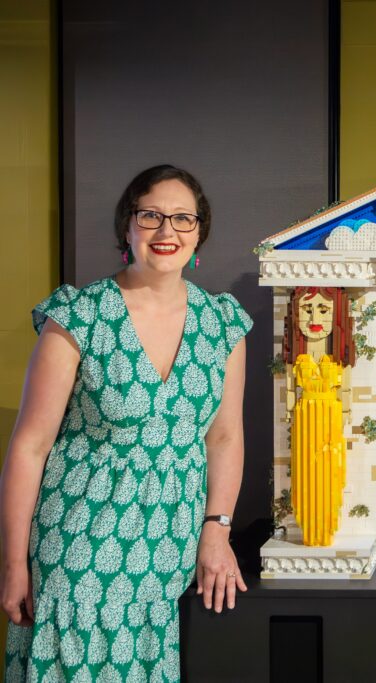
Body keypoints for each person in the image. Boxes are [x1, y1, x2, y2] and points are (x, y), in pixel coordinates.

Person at [1, 165, 253, 681]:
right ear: (127, 227)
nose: (167, 232)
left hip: (168, 553)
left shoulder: (224, 324)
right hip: (76, 550)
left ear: (200, 231)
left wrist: (217, 530)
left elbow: (225, 438)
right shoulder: (77, 317)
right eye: (151, 216)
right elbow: (29, 447)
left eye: (183, 218)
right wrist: (13, 565)